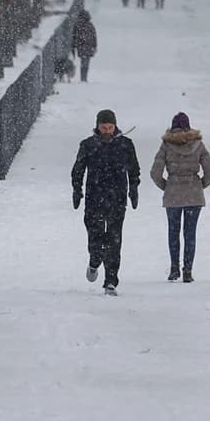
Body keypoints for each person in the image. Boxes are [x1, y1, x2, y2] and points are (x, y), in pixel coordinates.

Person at [72, 109, 140, 295]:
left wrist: (134, 188)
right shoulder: (88, 145)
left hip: (117, 199)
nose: (107, 131)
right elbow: (78, 169)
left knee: (114, 240)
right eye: (104, 127)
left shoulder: (125, 145)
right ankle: (95, 260)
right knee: (95, 238)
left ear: (115, 126)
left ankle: (111, 281)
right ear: (98, 126)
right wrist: (77, 189)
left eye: (110, 127)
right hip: (94, 198)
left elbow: (134, 169)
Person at [149, 112, 210, 282]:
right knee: (190, 233)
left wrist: (167, 185)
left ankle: (174, 268)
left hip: (173, 195)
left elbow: (155, 172)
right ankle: (188, 270)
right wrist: (200, 184)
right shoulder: (199, 145)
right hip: (194, 194)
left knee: (173, 232)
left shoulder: (166, 145)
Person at [71, 10, 97, 82]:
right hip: (89, 46)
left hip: (81, 46)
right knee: (86, 62)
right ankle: (84, 77)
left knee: (83, 61)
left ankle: (83, 77)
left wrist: (73, 47)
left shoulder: (77, 25)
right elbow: (94, 37)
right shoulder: (90, 25)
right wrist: (94, 47)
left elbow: (73, 37)